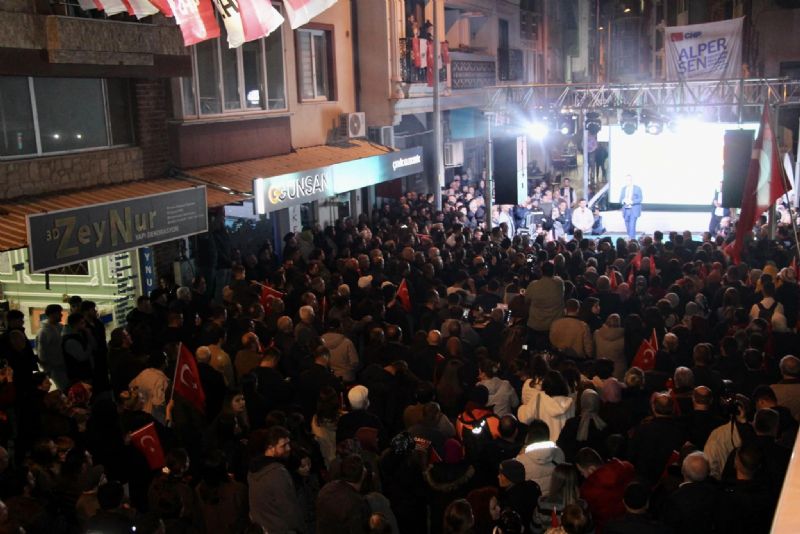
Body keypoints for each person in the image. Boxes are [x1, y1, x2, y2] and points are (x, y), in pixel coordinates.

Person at [248, 425, 306, 533]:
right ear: (271, 448)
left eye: (288, 444)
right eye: (283, 445)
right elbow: (289, 508)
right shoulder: (277, 473)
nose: (288, 448)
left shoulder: (253, 470)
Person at [619, 175, 642, 240]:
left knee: (632, 225)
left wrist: (632, 202)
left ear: (631, 180)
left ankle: (632, 240)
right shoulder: (623, 189)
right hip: (625, 210)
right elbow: (620, 199)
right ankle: (631, 238)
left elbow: (640, 199)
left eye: (629, 180)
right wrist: (623, 201)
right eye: (626, 180)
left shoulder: (637, 188)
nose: (627, 181)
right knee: (627, 225)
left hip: (633, 209)